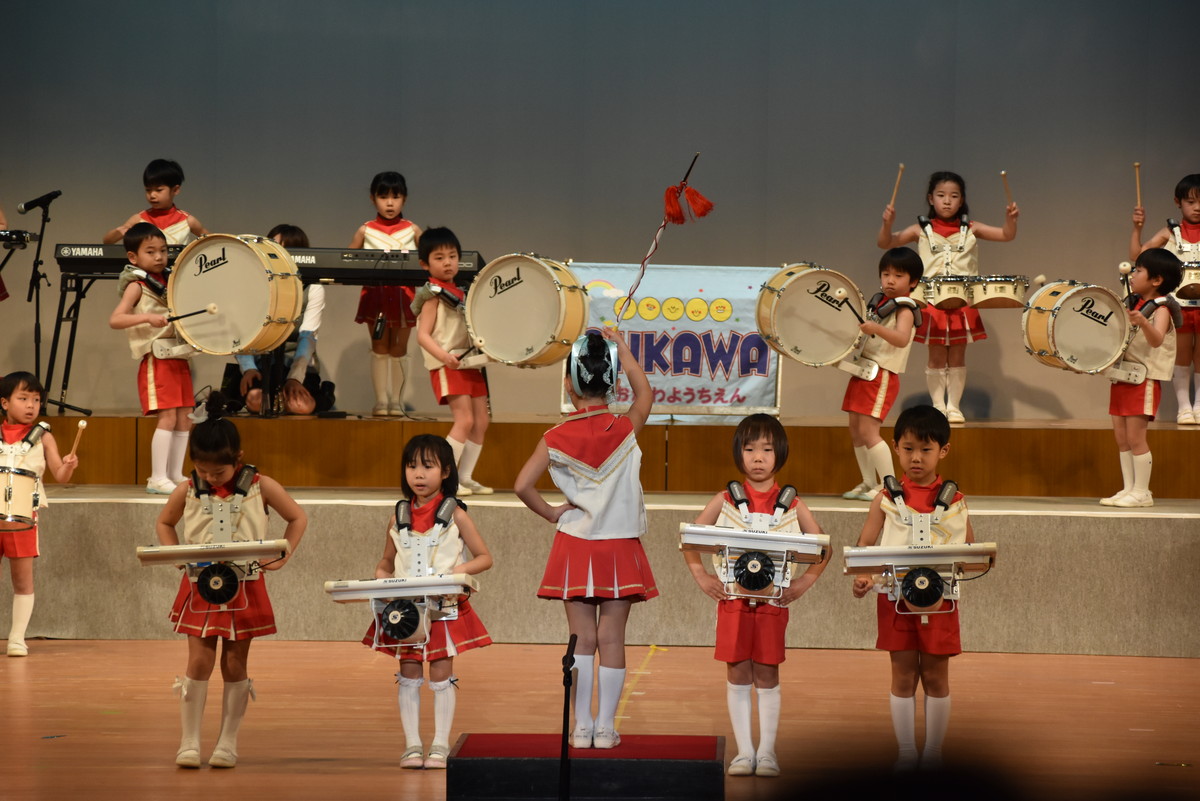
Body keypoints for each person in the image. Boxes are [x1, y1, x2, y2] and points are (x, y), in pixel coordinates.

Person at [514, 327, 656, 750]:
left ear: (568, 384)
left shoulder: (554, 438)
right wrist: (624, 350)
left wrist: (551, 513)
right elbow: (645, 393)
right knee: (612, 638)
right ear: (611, 383)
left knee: (582, 639)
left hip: (575, 544)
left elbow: (522, 485)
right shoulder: (625, 427)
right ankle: (606, 728)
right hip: (619, 545)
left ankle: (581, 726)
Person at [154, 391, 307, 768]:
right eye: (203, 470)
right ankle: (189, 742)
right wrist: (177, 558)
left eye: (218, 473)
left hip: (245, 585)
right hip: (201, 584)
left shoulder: (262, 486)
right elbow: (164, 523)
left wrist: (281, 555)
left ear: (237, 458)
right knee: (199, 661)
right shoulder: (188, 488)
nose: (209, 477)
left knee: (235, 664)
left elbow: (297, 518)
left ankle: (227, 742)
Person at [683, 414, 827, 778]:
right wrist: (701, 576)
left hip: (772, 604)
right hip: (732, 602)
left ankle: (767, 753)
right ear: (738, 453)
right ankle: (744, 752)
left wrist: (803, 583)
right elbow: (689, 540)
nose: (758, 457)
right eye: (749, 449)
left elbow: (823, 548)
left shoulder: (792, 503)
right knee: (737, 671)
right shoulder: (724, 500)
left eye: (766, 449)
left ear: (780, 454)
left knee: (766, 672)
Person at [851, 404, 974, 771]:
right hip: (895, 601)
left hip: (940, 603)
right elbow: (865, 547)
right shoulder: (884, 499)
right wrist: (864, 578)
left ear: (943, 451)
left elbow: (971, 552)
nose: (916, 457)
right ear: (895, 448)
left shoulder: (956, 502)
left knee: (936, 677)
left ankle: (933, 753)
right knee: (902, 676)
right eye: (908, 448)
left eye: (925, 449)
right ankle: (906, 752)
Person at [361, 434, 493, 770]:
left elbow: (484, 557)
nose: (418, 474)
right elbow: (385, 561)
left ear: (446, 471)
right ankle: (412, 745)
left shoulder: (457, 514)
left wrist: (457, 572)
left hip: (443, 609)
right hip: (406, 612)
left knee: (440, 672)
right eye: (411, 466)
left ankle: (440, 745)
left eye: (428, 466)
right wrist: (381, 578)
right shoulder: (397, 516)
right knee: (408, 671)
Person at [878, 171, 1019, 423]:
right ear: (930, 198)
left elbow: (1007, 235)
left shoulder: (972, 228)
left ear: (961, 199)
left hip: (963, 301)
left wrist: (1011, 220)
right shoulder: (920, 229)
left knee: (957, 355)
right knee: (935, 356)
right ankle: (937, 406)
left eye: (954, 196)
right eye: (941, 195)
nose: (947, 201)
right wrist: (887, 223)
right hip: (931, 301)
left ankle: (953, 407)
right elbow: (885, 242)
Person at [109, 223, 193, 494]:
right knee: (167, 417)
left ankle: (175, 474)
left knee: (185, 417)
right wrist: (147, 317)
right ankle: (157, 477)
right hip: (157, 358)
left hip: (178, 355)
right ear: (133, 257)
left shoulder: (170, 281)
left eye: (163, 251)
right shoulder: (137, 285)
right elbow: (116, 319)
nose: (159, 257)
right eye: (151, 251)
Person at [0, 372, 78, 656]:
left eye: (35, 400)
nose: (31, 405)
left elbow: (60, 475)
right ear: (5, 403)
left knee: (22, 580)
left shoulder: (44, 437)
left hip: (23, 518)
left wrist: (68, 465)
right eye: (23, 399)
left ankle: (17, 638)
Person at [1101, 248, 1182, 507]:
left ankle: (1142, 492)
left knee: (1136, 438)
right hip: (1122, 376)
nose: (1133, 275)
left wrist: (1144, 322)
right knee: (1122, 439)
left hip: (1143, 380)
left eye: (1139, 271)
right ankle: (1128, 489)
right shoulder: (1132, 303)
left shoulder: (1162, 308)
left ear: (1156, 280)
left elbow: (1156, 340)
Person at [413, 227, 491, 494]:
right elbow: (423, 336)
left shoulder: (462, 292)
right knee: (465, 420)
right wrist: (445, 357)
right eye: (439, 258)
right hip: (448, 364)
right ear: (424, 264)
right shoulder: (431, 295)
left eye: (452, 256)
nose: (447, 262)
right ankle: (447, 479)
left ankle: (465, 477)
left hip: (469, 364)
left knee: (481, 421)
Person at [842, 248, 922, 501]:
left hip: (881, 375)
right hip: (862, 371)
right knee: (856, 430)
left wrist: (875, 328)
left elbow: (901, 339)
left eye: (898, 276)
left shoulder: (905, 309)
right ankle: (868, 482)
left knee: (869, 431)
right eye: (886, 274)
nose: (890, 280)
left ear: (913, 282)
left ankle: (889, 485)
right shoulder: (878, 304)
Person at [234, 224, 334, 415]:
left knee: (301, 406)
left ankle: (311, 396)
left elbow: (308, 336)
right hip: (261, 365)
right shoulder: (254, 285)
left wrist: (295, 378)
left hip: (297, 366)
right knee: (257, 402)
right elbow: (241, 332)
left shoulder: (313, 288)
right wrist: (248, 368)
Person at [351, 171, 423, 416]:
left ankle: (397, 402)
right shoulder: (365, 230)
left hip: (405, 297)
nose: (390, 203)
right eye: (383, 197)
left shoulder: (413, 230)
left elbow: (428, 261)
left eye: (396, 197)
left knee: (399, 347)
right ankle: (381, 401)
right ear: (373, 199)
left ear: (405, 198)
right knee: (379, 345)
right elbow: (346, 261)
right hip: (375, 295)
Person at [1131, 174, 1200, 425]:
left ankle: (1199, 405)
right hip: (1178, 304)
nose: (1197, 207)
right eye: (1191, 202)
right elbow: (1138, 256)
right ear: (1177, 202)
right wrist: (1137, 228)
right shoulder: (1170, 232)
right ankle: (1184, 407)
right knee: (1181, 354)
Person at [103, 158, 207, 245]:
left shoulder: (187, 220)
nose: (152, 195)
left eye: (158, 190)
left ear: (175, 190)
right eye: (148, 190)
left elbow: (212, 241)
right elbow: (107, 241)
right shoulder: (139, 219)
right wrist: (119, 232)